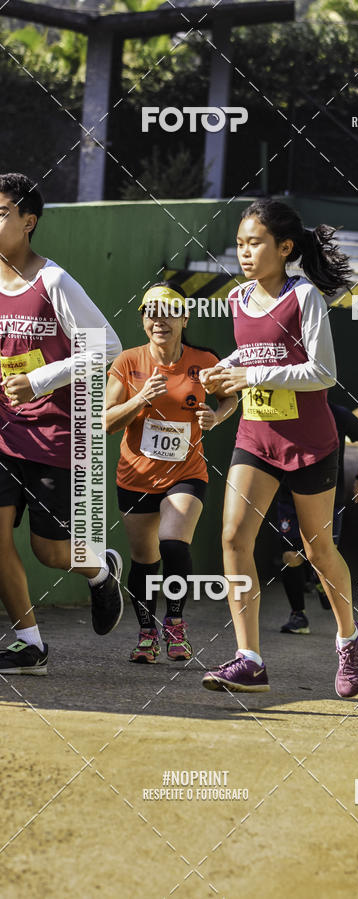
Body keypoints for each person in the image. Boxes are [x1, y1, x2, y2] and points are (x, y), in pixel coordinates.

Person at [199, 198, 358, 698]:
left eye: (255, 243)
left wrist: (247, 372)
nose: (245, 253)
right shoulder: (237, 299)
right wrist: (224, 381)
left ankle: (348, 638)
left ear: (285, 247)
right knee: (232, 537)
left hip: (310, 444)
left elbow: (322, 373)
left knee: (318, 550)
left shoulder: (304, 298)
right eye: (239, 244)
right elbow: (253, 359)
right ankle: (249, 658)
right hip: (255, 437)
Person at [0, 172, 123, 675]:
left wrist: (43, 380)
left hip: (52, 436)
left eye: (1, 211)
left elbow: (108, 345)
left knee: (50, 552)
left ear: (28, 222)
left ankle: (100, 569)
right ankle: (30, 643)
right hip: (2, 432)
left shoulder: (53, 281)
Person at [105, 282, 237, 664]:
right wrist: (140, 399)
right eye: (150, 312)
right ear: (143, 319)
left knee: (173, 543)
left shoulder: (204, 359)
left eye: (167, 312)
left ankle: (175, 625)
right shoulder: (129, 363)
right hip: (135, 477)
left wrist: (217, 416)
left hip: (186, 472)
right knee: (144, 560)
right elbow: (106, 421)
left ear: (184, 317)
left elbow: (231, 395)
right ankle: (147, 635)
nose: (158, 320)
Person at [279, 400, 358, 634]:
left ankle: (319, 581)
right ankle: (298, 616)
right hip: (288, 495)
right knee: (290, 555)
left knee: (321, 555)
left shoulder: (335, 412)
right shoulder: (279, 409)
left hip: (327, 498)